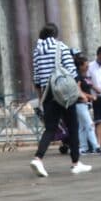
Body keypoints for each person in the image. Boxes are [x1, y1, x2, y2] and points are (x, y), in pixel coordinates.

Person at [30, 24, 90, 177]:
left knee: (50, 128)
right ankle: (76, 163)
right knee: (72, 126)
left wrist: (40, 97)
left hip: (48, 93)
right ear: (55, 34)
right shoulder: (60, 47)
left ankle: (38, 158)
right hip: (64, 92)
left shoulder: (37, 52)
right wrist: (79, 92)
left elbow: (36, 78)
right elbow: (72, 71)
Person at [73, 53, 101, 155]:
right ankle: (95, 147)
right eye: (86, 66)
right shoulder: (77, 77)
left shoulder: (85, 76)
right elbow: (78, 90)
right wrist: (90, 96)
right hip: (80, 103)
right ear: (80, 66)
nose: (88, 67)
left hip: (86, 104)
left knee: (82, 126)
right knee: (90, 124)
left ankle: (84, 147)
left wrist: (96, 90)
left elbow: (90, 86)